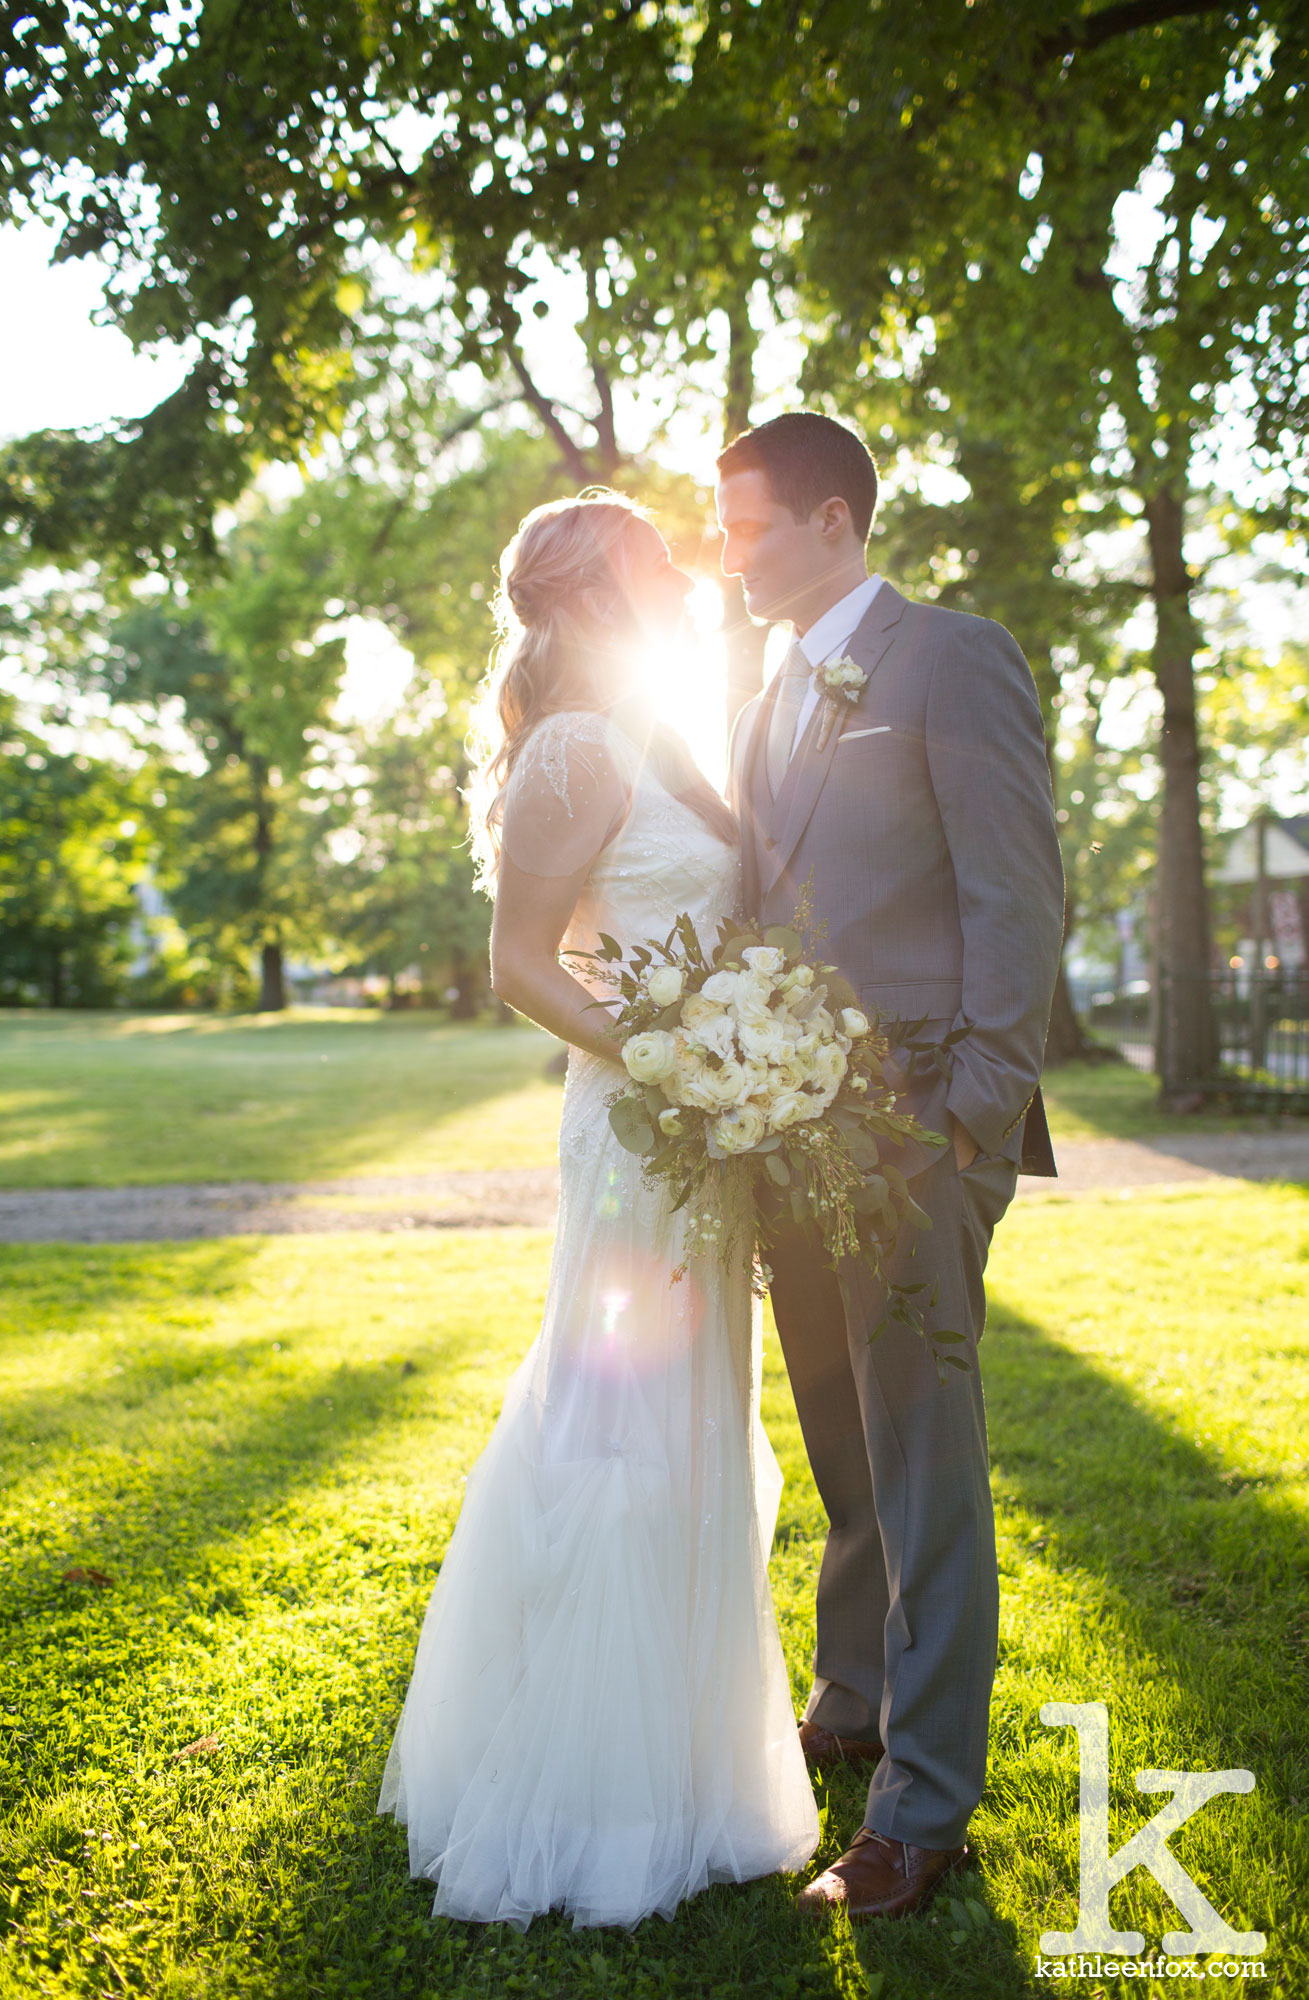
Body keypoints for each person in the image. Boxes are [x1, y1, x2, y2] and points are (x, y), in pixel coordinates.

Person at [376, 492, 819, 1930]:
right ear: (581, 596)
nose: (682, 595)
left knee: (691, 1420)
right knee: (617, 1427)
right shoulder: (569, 748)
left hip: (697, 1120)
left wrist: (734, 1056)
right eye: (654, 576)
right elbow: (519, 962)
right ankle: (593, 1796)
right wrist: (671, 1062)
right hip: (637, 1132)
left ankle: (693, 1774)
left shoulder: (650, 740)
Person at [720, 412, 1064, 1922]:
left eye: (745, 526)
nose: (724, 553)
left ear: (836, 521)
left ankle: (918, 1808)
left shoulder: (953, 655)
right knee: (842, 1459)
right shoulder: (762, 695)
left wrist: (975, 1110)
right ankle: (848, 1703)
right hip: (790, 1138)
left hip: (924, 1128)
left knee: (923, 1476)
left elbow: (1014, 887)